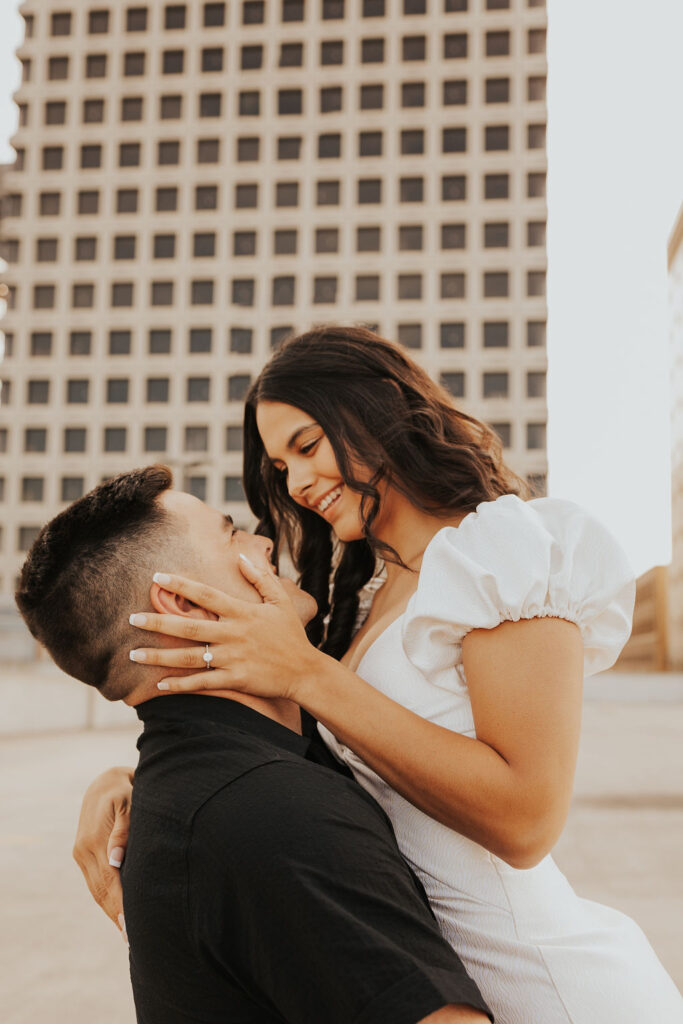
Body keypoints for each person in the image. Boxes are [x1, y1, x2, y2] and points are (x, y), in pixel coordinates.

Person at [83, 327, 683, 1024]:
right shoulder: (369, 591)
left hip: (551, 991)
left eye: (306, 446)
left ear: (380, 407)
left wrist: (309, 673)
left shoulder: (502, 553)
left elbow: (527, 820)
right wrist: (130, 784)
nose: (297, 484)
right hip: (440, 989)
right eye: (280, 467)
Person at [16, 466, 491, 1024]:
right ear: (185, 604)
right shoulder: (272, 816)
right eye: (231, 532)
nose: (264, 540)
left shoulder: (209, 784)